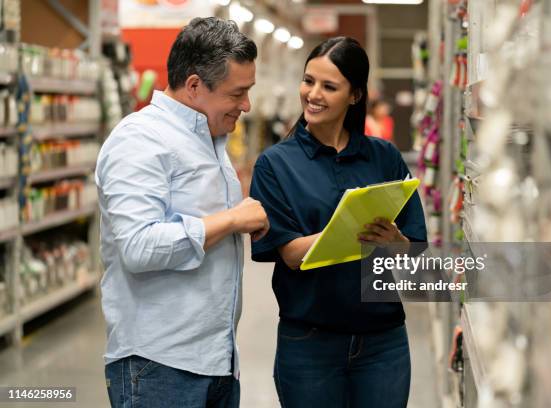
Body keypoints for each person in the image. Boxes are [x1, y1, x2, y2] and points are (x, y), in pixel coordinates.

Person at [95, 17, 269, 408]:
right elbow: (139, 247)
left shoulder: (211, 140)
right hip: (159, 366)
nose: (247, 105)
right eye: (237, 93)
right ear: (194, 86)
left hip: (216, 360)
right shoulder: (139, 140)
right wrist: (231, 220)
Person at [249, 37, 427, 408]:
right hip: (309, 344)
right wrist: (347, 234)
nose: (313, 94)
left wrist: (394, 242)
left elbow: (415, 256)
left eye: (329, 86)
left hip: (384, 341)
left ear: (355, 96)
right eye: (308, 80)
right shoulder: (275, 165)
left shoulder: (384, 158)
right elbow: (291, 254)